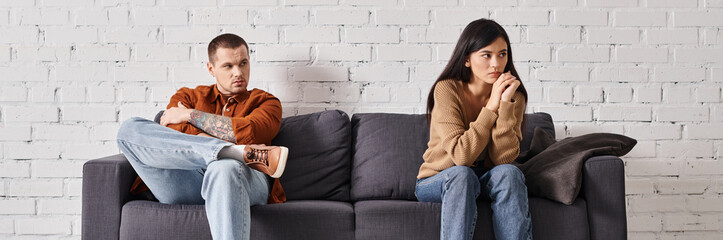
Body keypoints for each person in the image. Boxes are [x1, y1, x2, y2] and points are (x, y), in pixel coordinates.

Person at [116, 33, 288, 240]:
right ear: (211, 69)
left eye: (243, 63)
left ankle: (232, 157)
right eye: (228, 66)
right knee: (129, 129)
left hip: (244, 179)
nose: (238, 72)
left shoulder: (266, 102)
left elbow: (252, 131)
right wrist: (234, 141)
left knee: (224, 167)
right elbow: (174, 135)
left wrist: (190, 115)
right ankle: (237, 153)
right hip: (187, 178)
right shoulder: (187, 96)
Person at [415, 18, 532, 240]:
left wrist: (505, 105)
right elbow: (462, 156)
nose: (496, 64)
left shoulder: (514, 95)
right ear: (467, 59)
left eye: (502, 54)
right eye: (486, 55)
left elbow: (502, 159)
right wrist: (490, 108)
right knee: (462, 175)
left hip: (485, 176)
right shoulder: (447, 89)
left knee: (510, 173)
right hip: (440, 178)